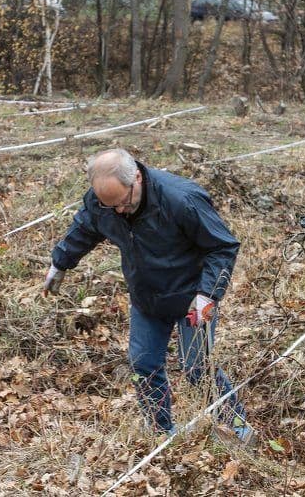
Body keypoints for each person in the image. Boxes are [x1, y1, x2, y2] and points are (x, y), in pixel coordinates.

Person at [42, 148, 253, 441]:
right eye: (109, 205)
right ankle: (160, 433)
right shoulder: (102, 202)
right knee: (143, 365)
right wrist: (60, 263)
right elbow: (85, 228)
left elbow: (222, 246)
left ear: (137, 178)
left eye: (122, 202)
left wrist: (208, 295)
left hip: (193, 297)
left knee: (196, 367)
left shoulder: (182, 199)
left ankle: (238, 428)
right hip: (146, 296)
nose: (118, 211)